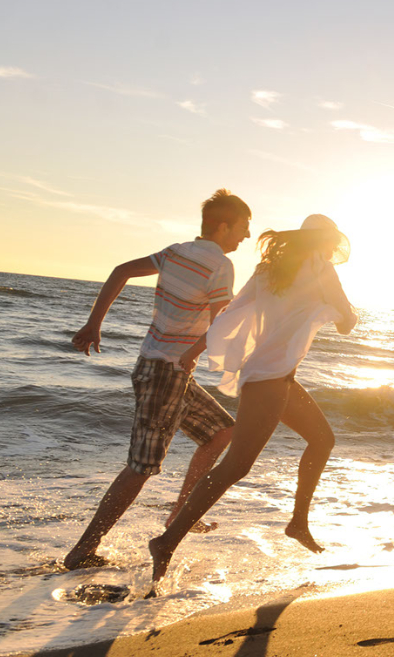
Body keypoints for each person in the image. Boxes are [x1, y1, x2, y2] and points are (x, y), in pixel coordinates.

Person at [149, 214, 357, 588]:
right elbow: (348, 321)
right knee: (235, 467)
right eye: (329, 243)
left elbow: (231, 312)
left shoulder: (268, 269)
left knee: (323, 439)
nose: (329, 250)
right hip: (270, 379)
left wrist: (201, 349)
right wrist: (332, 310)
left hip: (267, 374)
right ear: (323, 242)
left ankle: (298, 522)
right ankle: (166, 542)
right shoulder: (321, 268)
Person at [63, 189, 252, 570]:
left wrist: (94, 323)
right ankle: (82, 551)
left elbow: (121, 271)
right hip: (166, 371)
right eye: (243, 228)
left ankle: (182, 513)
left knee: (221, 433)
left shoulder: (175, 251)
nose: (245, 237)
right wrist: (194, 353)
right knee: (141, 467)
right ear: (222, 225)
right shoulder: (219, 265)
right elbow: (221, 326)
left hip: (165, 369)